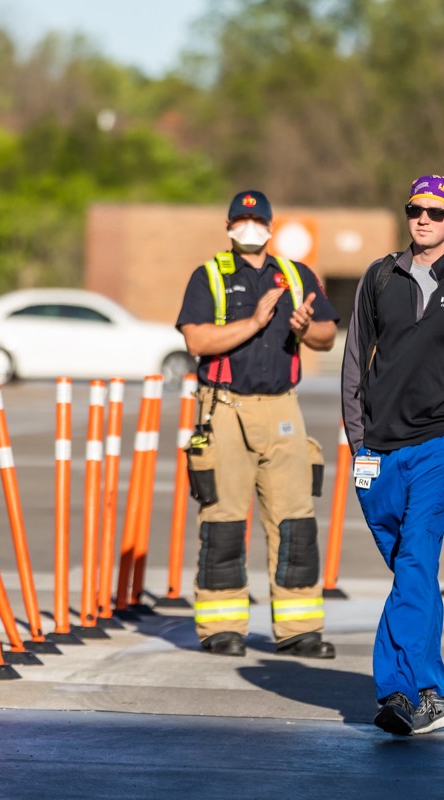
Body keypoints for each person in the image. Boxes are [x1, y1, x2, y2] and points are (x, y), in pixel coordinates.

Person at [342, 174, 444, 737]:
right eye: (416, 210)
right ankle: (434, 690)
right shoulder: (378, 277)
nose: (424, 220)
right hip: (377, 450)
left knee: (416, 562)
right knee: (410, 573)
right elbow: (352, 363)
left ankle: (398, 691)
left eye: (437, 213)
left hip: (440, 446)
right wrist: (359, 441)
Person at [176, 189, 339, 659]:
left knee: (295, 522)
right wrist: (256, 320)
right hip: (225, 407)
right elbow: (198, 340)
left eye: (256, 219)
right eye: (240, 220)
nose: (249, 227)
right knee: (223, 522)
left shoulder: (295, 274)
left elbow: (327, 335)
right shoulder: (208, 276)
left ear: (270, 226)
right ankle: (222, 628)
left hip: (283, 407)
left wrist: (305, 326)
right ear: (228, 227)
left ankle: (299, 629)